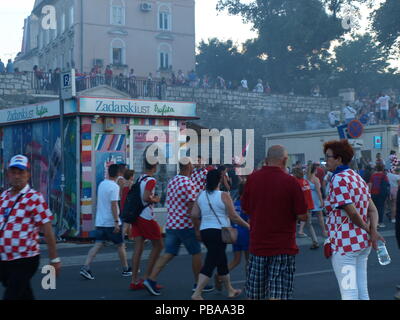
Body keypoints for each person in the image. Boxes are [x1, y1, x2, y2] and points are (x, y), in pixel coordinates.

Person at [241, 145, 308, 300]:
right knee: (278, 294)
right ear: (284, 160)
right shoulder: (291, 182)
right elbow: (303, 215)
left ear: (266, 160)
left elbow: (246, 209)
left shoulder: (252, 179)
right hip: (283, 247)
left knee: (255, 294)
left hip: (258, 245)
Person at [324, 139, 383, 300]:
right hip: (363, 243)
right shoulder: (357, 177)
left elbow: (353, 213)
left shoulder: (338, 179)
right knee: (362, 291)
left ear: (339, 159)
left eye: (328, 156)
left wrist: (368, 229)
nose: (325, 160)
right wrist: (372, 231)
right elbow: (372, 209)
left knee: (349, 292)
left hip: (345, 244)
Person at [143, 159, 213, 295]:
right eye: (192, 164)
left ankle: (150, 279)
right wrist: (197, 228)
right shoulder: (188, 184)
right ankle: (198, 284)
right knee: (196, 252)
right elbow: (192, 208)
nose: (193, 166)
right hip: (186, 225)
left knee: (168, 253)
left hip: (172, 224)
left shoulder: (173, 180)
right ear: (188, 166)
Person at [0, 155, 61, 300]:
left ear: (28, 174)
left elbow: (47, 230)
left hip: (25, 259)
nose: (17, 176)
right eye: (13, 172)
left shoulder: (35, 198)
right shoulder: (3, 197)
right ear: (8, 174)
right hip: (4, 260)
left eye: (21, 172)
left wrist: (54, 259)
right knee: (24, 294)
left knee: (11, 296)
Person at [191, 170, 249, 300]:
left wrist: (197, 228)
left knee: (221, 260)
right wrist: (248, 226)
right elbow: (234, 216)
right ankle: (197, 293)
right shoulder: (224, 195)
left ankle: (230, 290)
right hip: (219, 231)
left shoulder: (201, 195)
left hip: (205, 230)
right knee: (211, 262)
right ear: (219, 181)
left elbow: (194, 214)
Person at [80, 164, 131, 280]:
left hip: (100, 221)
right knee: (121, 245)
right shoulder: (114, 187)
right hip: (110, 222)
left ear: (108, 172)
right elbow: (114, 205)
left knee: (98, 244)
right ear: (118, 174)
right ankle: (126, 269)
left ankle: (85, 266)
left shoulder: (102, 184)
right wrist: (116, 221)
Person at [129, 157, 164, 290]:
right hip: (146, 216)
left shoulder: (140, 178)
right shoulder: (151, 180)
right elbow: (145, 197)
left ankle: (134, 281)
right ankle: (148, 278)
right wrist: (155, 199)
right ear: (154, 167)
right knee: (159, 245)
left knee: (138, 248)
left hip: (136, 216)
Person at [292, 167, 320, 249]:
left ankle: (291, 243)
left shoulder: (296, 182)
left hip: (300, 207)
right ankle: (315, 241)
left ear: (295, 174)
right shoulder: (305, 182)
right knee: (309, 224)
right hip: (309, 206)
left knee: (292, 225)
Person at [227, 183, 249, 276]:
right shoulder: (247, 204)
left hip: (235, 233)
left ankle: (221, 275)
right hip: (246, 234)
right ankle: (249, 283)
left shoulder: (235, 203)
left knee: (236, 260)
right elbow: (249, 221)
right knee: (249, 261)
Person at [307, 163, 328, 237]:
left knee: (308, 219)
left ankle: (312, 234)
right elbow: (318, 191)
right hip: (315, 198)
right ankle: (324, 231)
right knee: (320, 217)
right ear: (315, 170)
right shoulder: (316, 179)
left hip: (309, 198)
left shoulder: (306, 178)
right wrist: (321, 201)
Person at [368, 164, 390, 228]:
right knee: (381, 208)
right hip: (381, 194)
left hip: (373, 194)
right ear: (382, 169)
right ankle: (380, 222)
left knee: (374, 208)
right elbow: (387, 186)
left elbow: (370, 185)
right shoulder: (384, 176)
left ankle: (375, 223)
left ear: (376, 169)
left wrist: (369, 193)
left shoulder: (373, 175)